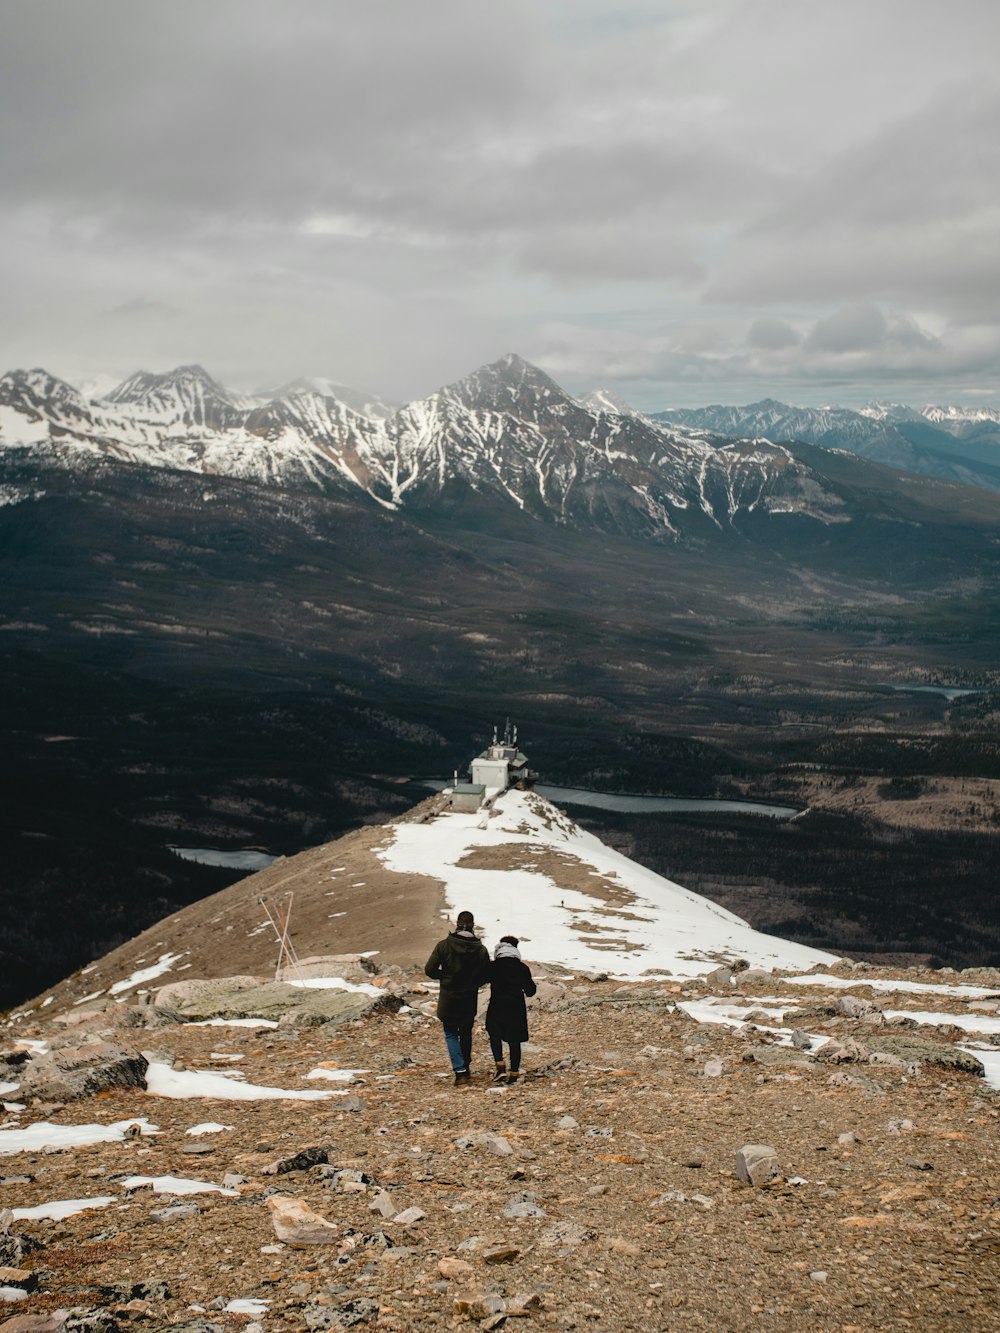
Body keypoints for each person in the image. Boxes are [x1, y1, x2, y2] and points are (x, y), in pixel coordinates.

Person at [424, 909, 490, 1086]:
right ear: (473, 925)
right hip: (469, 997)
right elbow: (487, 974)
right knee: (466, 1032)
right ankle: (465, 1067)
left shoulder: (444, 945)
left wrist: (445, 976)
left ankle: (460, 1071)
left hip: (449, 997)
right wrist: (474, 982)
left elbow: (429, 970)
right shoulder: (481, 949)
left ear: (457, 923)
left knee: (451, 1033)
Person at [485, 935, 536, 1084]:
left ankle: (500, 1067)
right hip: (516, 1007)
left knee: (494, 1034)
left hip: (497, 1005)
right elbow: (530, 991)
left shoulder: (493, 966)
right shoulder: (522, 968)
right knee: (515, 1041)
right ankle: (514, 1073)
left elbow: (480, 979)